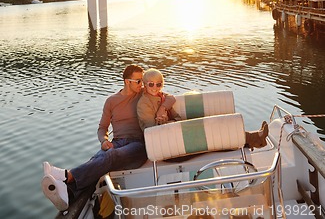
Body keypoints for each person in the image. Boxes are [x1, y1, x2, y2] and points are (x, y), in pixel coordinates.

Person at [42, 64, 176, 212]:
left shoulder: (145, 93)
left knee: (110, 155)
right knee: (98, 158)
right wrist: (104, 140)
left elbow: (169, 97)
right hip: (117, 142)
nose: (142, 84)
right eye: (138, 81)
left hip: (138, 144)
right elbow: (102, 128)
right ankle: (69, 194)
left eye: (143, 81)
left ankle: (68, 176)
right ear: (127, 81)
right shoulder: (111, 101)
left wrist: (162, 109)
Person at [137, 68, 269, 149]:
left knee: (212, 126)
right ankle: (255, 139)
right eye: (151, 84)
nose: (155, 87)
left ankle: (253, 138)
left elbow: (171, 98)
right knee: (211, 130)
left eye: (159, 84)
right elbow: (151, 132)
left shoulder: (160, 95)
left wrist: (162, 109)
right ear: (144, 84)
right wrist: (165, 122)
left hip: (174, 131)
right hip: (166, 139)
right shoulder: (144, 104)